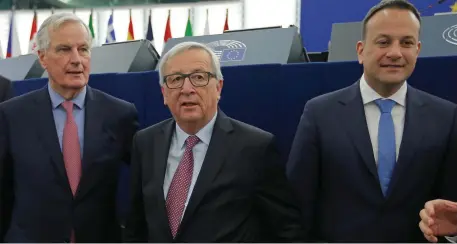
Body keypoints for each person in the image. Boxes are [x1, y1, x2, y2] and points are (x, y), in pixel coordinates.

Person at [286, 0, 457, 242]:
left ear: (417, 51)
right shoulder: (320, 114)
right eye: (384, 42)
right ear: (360, 50)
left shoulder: (446, 117)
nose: (395, 53)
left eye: (406, 43)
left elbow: (451, 207)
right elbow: (295, 205)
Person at [123, 41, 304, 242]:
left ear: (218, 87)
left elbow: (287, 229)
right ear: (164, 93)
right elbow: (136, 224)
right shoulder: (146, 143)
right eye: (175, 79)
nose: (187, 89)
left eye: (199, 77)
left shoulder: (255, 147)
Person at [0, 13, 138, 242]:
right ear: (42, 58)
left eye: (83, 49)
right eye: (64, 49)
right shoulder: (11, 115)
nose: (77, 59)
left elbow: (143, 187)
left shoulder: (120, 114)